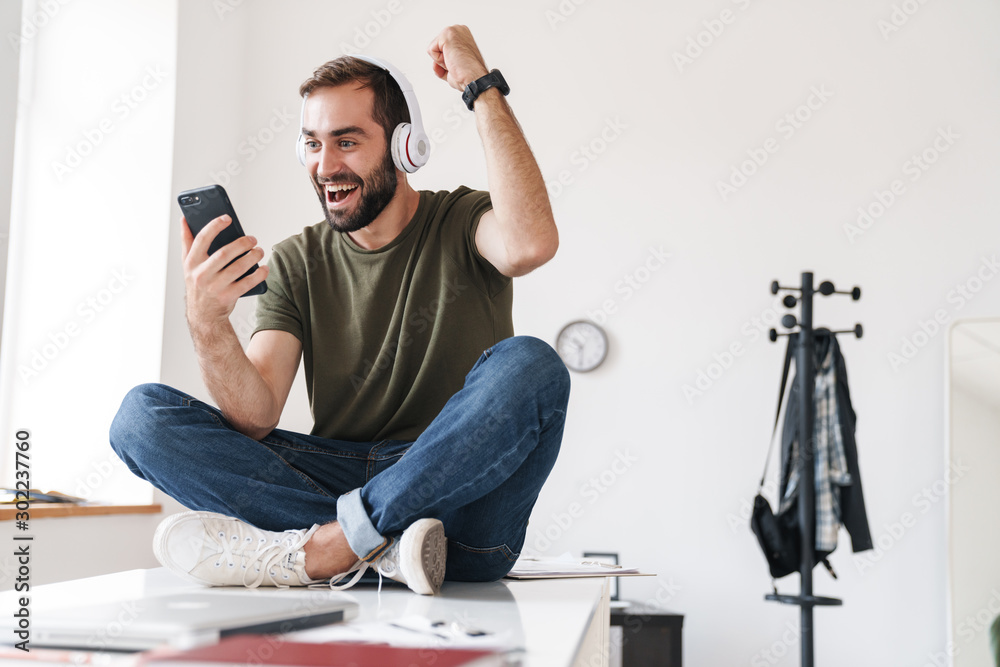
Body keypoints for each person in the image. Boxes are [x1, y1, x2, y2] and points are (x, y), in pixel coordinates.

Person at [110, 25, 570, 596]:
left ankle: (330, 545)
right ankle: (377, 544)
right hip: (340, 477)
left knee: (532, 365)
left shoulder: (461, 220)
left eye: (347, 142)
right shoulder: (296, 261)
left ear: (407, 147)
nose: (324, 165)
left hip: (460, 507)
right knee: (140, 419)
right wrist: (208, 323)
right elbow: (254, 416)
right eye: (312, 143)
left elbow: (530, 244)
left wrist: (480, 86)